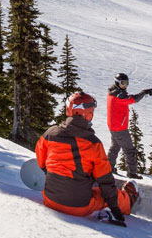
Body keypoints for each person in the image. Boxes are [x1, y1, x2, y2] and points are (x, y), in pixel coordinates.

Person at [35, 91, 138, 227]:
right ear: (87, 114)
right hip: (78, 207)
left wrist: (56, 175)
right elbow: (105, 180)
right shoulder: (93, 143)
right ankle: (129, 199)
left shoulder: (51, 133)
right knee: (104, 194)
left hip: (49, 200)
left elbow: (41, 159)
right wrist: (115, 208)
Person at [106, 73, 152, 179]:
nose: (125, 85)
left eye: (127, 83)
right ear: (117, 83)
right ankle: (132, 173)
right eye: (123, 83)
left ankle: (108, 168)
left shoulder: (113, 93)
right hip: (119, 127)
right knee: (129, 150)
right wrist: (144, 92)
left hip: (114, 125)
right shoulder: (118, 95)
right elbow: (133, 99)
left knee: (115, 147)